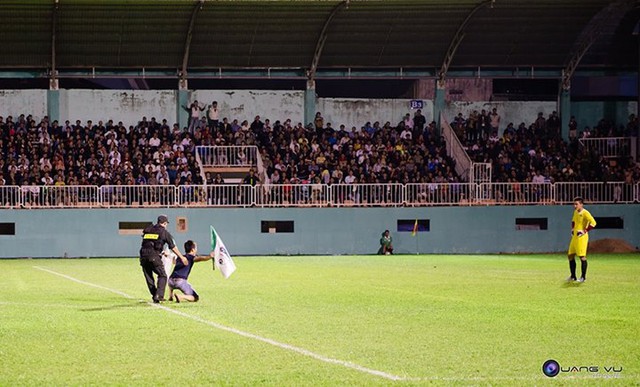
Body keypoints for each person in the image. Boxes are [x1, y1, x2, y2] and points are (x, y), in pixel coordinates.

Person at [139, 215, 188, 303]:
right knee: (162, 275)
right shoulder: (164, 232)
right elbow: (173, 247)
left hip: (143, 256)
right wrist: (182, 257)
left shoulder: (148, 229)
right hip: (153, 256)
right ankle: (159, 296)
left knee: (149, 278)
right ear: (165, 223)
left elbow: (147, 242)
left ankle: (155, 295)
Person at [567, 197, 597, 282]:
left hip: (581, 238)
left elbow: (594, 223)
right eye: (574, 204)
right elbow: (573, 221)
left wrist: (585, 231)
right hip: (575, 237)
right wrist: (573, 229)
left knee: (582, 257)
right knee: (570, 255)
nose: (575, 205)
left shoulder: (585, 213)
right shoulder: (576, 212)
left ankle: (583, 277)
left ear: (581, 204)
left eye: (576, 204)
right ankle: (573, 276)